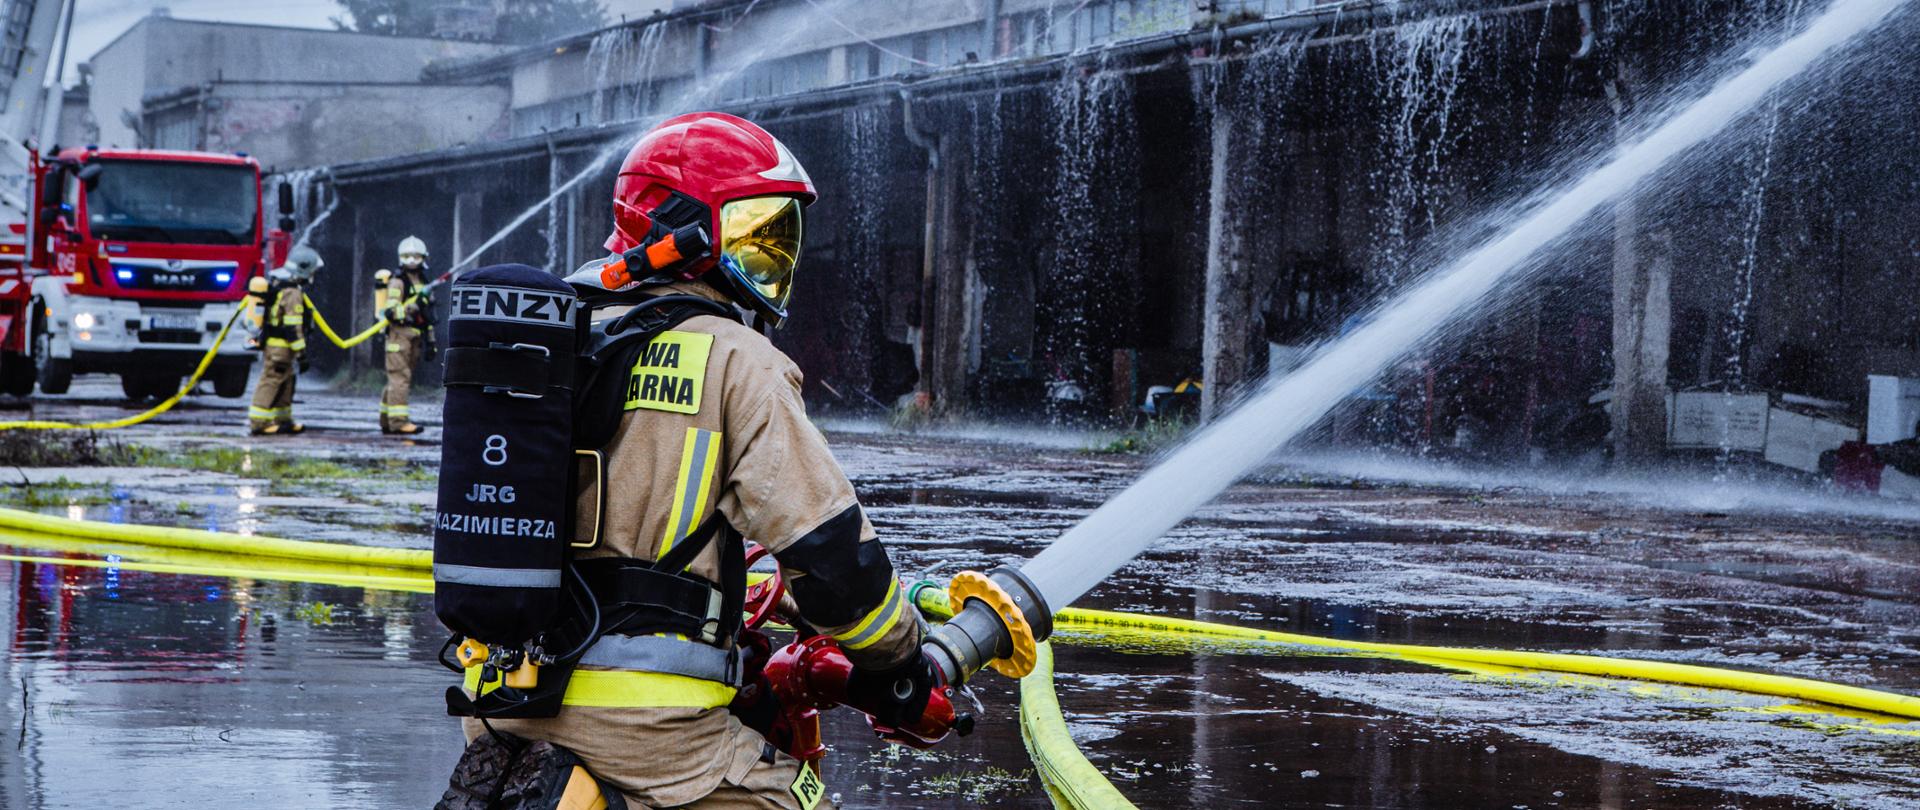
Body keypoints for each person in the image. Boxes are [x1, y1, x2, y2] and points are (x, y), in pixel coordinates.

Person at [445, 112, 933, 809]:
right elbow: (831, 560)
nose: (773, 254)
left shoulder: (552, 340)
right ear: (687, 226)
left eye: (779, 234)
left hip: (498, 706)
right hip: (647, 732)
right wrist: (902, 656)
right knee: (794, 798)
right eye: (754, 230)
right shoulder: (737, 360)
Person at [247, 245, 320, 435]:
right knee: (271, 381)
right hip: (280, 347)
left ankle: (283, 420)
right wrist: (302, 354)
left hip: (280, 347)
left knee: (286, 382)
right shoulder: (293, 294)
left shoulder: (282, 286)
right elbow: (292, 328)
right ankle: (259, 422)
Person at [375, 236, 433, 434]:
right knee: (400, 378)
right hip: (399, 337)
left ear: (423, 257)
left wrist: (431, 341)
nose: (411, 260)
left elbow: (428, 316)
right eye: (407, 256)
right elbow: (391, 312)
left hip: (415, 337)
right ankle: (399, 423)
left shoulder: (423, 282)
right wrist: (413, 306)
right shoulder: (398, 282)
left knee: (397, 380)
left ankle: (386, 420)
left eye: (415, 256)